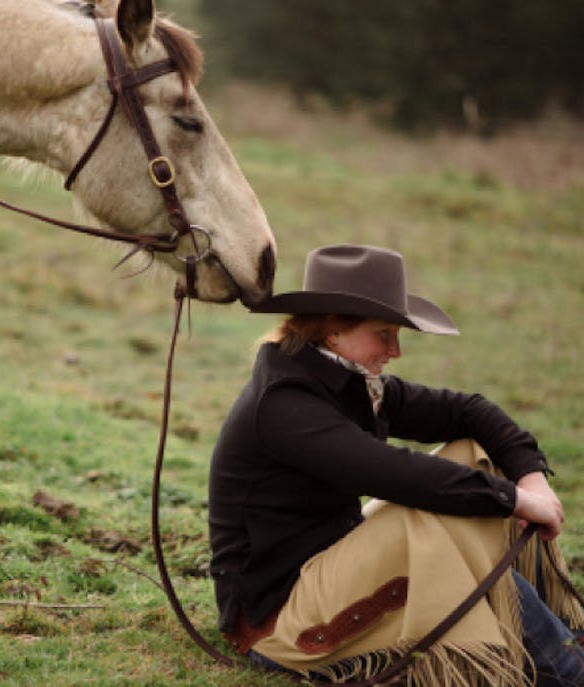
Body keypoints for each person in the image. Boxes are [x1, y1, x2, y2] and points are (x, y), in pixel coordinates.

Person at [208, 244, 584, 686]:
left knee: (469, 452)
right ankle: (568, 669)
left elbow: (469, 411)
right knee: (427, 513)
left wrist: (531, 481)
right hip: (278, 624)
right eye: (384, 335)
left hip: (331, 568)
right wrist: (513, 500)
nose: (396, 351)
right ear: (333, 332)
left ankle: (561, 636)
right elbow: (398, 475)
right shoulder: (284, 404)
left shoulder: (342, 379)